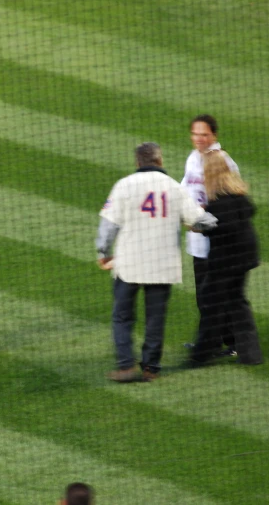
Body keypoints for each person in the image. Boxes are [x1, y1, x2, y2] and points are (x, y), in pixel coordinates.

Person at [96, 142, 217, 382]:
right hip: (163, 265)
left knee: (122, 316)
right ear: (159, 161)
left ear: (138, 162)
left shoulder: (124, 185)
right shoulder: (174, 188)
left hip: (129, 264)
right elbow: (205, 222)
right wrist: (200, 223)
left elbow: (107, 227)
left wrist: (103, 253)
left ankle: (125, 366)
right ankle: (151, 368)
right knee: (155, 317)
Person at [188, 153, 263, 366]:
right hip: (246, 258)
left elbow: (214, 227)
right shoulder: (238, 196)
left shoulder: (218, 203)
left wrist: (197, 223)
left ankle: (200, 355)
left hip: (225, 261)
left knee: (211, 304)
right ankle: (251, 355)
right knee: (237, 302)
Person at [181, 114, 240, 356]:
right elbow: (183, 190)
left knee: (218, 297)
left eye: (204, 134)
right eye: (195, 134)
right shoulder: (193, 159)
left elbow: (234, 199)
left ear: (214, 135)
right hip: (197, 241)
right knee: (204, 296)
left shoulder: (223, 161)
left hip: (218, 242)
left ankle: (232, 344)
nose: (199, 139)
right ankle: (213, 343)